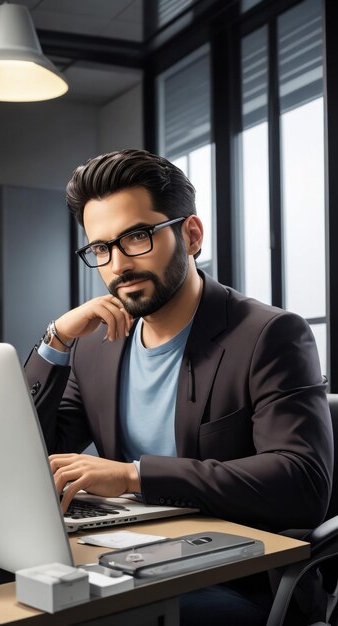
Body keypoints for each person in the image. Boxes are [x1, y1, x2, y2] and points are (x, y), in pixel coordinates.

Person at [24, 149, 333, 625]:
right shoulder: (95, 346)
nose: (118, 265)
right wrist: (56, 341)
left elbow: (300, 481)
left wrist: (134, 476)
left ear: (191, 234)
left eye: (137, 237)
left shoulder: (269, 335)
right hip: (124, 558)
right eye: (101, 248)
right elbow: (32, 453)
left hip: (238, 577)